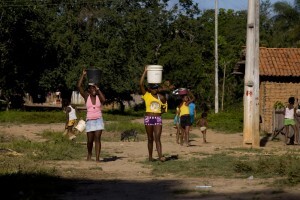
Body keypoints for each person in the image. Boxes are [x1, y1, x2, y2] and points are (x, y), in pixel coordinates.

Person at [139, 67, 167, 162]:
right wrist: (145, 71)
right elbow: (141, 84)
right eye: (153, 88)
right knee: (150, 138)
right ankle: (150, 157)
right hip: (148, 118)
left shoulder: (161, 97)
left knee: (157, 138)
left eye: (156, 88)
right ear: (150, 89)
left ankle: (160, 156)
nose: (155, 90)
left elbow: (164, 109)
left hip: (158, 119)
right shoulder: (147, 95)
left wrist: (160, 112)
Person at [77, 69, 106, 162]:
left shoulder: (98, 96)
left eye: (94, 88)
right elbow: (79, 86)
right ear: (89, 90)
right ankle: (89, 154)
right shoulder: (86, 97)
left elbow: (104, 100)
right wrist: (83, 75)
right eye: (92, 88)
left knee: (97, 139)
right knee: (90, 140)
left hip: (98, 120)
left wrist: (98, 89)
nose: (93, 90)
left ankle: (97, 158)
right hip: (90, 120)